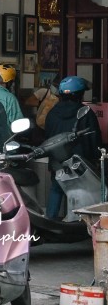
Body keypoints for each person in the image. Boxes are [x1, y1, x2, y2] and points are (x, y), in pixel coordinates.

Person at [44, 76, 103, 219]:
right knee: (82, 191)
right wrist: (96, 157)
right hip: (80, 163)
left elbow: (48, 137)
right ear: (79, 94)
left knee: (56, 189)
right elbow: (94, 139)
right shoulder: (86, 112)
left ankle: (50, 220)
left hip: (57, 161)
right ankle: (81, 223)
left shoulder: (52, 113)